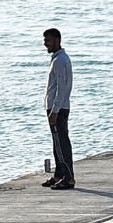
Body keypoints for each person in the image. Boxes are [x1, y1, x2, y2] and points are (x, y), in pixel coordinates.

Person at [43, 28, 74, 190]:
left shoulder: (60, 61)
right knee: (57, 144)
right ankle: (58, 175)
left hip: (59, 109)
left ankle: (68, 178)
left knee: (62, 144)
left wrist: (54, 110)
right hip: (56, 107)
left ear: (57, 40)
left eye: (48, 40)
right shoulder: (57, 59)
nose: (45, 44)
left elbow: (62, 89)